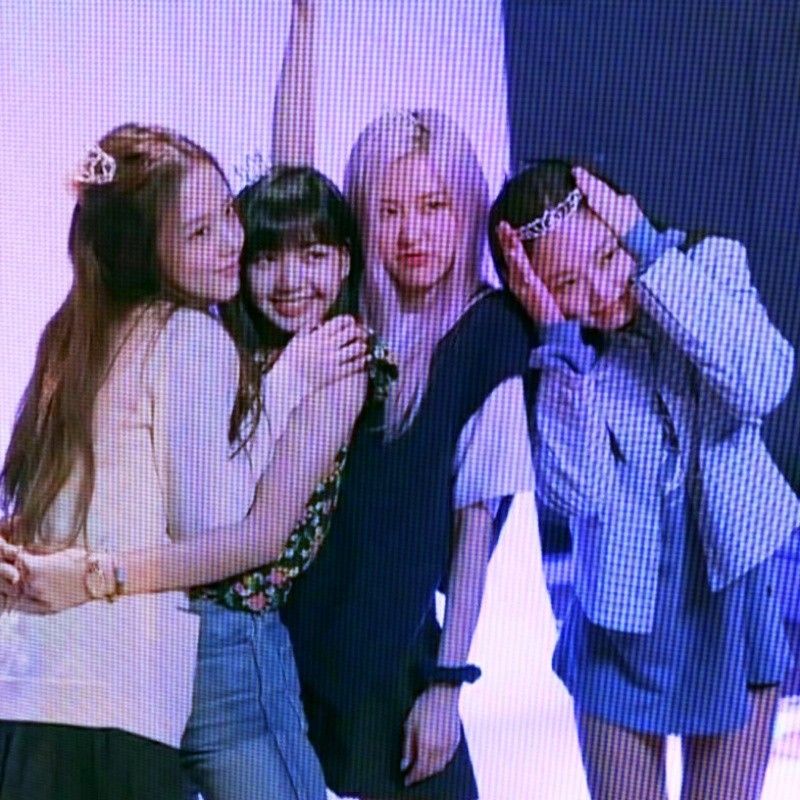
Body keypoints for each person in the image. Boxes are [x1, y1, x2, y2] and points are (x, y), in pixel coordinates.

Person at [0, 123, 366, 800]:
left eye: (228, 212)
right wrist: (285, 385)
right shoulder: (190, 335)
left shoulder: (73, 333)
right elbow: (215, 524)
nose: (232, 241)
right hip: (118, 684)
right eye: (199, 233)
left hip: (31, 680)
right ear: (146, 252)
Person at [489, 159, 799, 800]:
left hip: (734, 599)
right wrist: (558, 336)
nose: (602, 291)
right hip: (620, 614)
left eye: (608, 255)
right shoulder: (562, 355)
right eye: (567, 282)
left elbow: (761, 383)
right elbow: (576, 493)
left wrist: (648, 253)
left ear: (625, 219)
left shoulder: (709, 265)